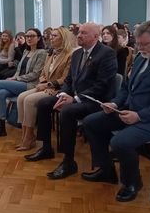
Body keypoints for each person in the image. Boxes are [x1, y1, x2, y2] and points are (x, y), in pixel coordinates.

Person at [81, 21, 150, 202]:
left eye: (144, 44)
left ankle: (132, 183)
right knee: (91, 122)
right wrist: (116, 104)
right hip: (134, 112)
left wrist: (140, 116)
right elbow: (126, 87)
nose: (139, 48)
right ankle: (106, 170)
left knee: (120, 142)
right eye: (138, 43)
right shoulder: (142, 57)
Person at [25, 23, 118, 180]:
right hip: (75, 96)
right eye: (79, 32)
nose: (79, 35)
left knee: (68, 111)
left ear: (96, 36)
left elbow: (102, 85)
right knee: (44, 103)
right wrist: (62, 93)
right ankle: (46, 147)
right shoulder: (77, 54)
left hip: (95, 100)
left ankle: (68, 161)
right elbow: (69, 80)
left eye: (84, 33)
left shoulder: (106, 53)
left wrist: (75, 98)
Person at [0, 28, 47, 138]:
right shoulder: (26, 51)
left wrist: (17, 79)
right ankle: (1, 127)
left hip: (32, 84)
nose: (29, 38)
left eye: (32, 36)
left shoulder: (42, 53)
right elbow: (18, 70)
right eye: (27, 36)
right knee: (1, 93)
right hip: (21, 81)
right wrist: (14, 77)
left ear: (39, 38)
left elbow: (35, 74)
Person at [15, 27, 75, 151]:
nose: (51, 38)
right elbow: (43, 72)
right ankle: (25, 133)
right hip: (45, 85)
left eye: (55, 36)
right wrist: (43, 82)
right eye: (51, 36)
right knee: (21, 97)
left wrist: (49, 85)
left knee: (29, 100)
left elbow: (66, 78)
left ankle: (29, 136)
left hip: (58, 89)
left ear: (63, 38)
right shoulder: (51, 53)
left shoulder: (70, 54)